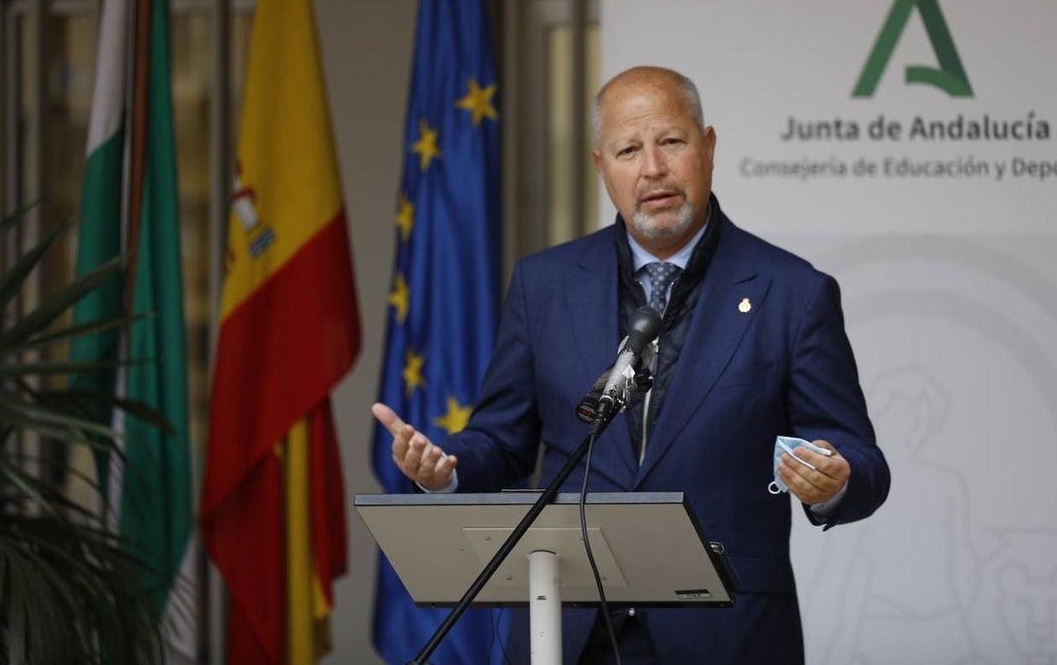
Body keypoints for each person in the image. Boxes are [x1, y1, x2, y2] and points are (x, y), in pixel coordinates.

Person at [373, 66, 891, 664]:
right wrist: (447, 469)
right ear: (602, 167)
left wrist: (836, 480)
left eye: (671, 142)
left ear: (708, 147)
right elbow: (502, 439)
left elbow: (861, 459)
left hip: (727, 635)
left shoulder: (792, 292)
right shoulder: (544, 285)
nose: (653, 168)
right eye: (628, 150)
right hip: (567, 632)